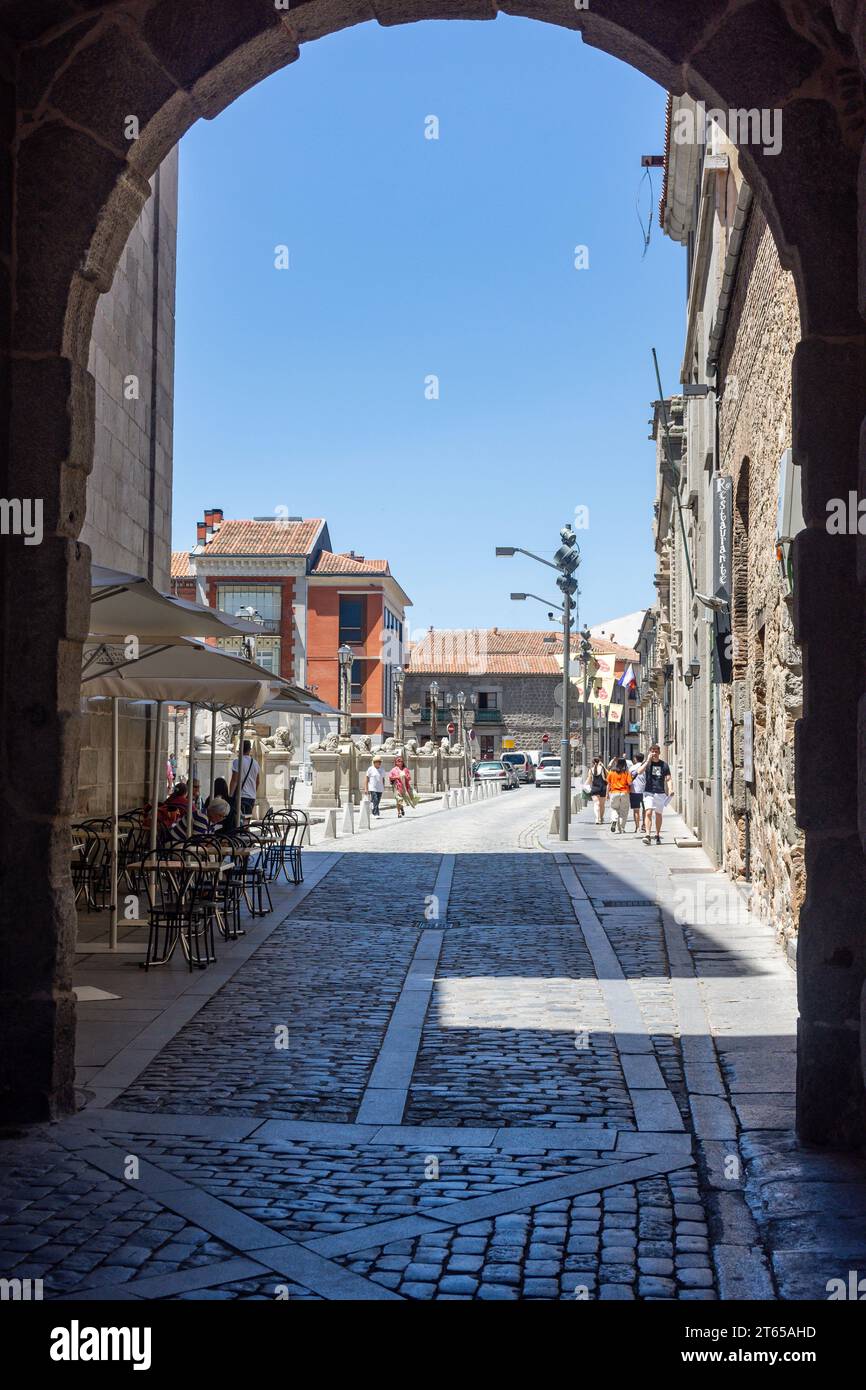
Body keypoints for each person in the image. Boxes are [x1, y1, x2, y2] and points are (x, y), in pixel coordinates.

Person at [635, 744, 673, 845]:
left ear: (659, 753)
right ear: (649, 752)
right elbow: (639, 772)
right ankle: (647, 835)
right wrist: (647, 761)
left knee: (658, 814)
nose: (654, 753)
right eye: (652, 751)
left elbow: (668, 778)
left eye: (656, 751)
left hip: (660, 793)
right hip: (648, 792)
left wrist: (670, 789)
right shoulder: (646, 764)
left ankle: (657, 834)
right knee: (648, 812)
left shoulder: (664, 765)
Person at [229, 739, 260, 821]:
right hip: (251, 796)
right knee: (246, 820)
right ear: (250, 749)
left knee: (237, 820)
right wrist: (253, 792)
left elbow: (234, 780)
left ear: (240, 748)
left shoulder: (237, 761)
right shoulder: (255, 763)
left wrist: (230, 795)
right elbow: (258, 782)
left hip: (241, 795)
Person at [607, 756, 632, 834]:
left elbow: (608, 783)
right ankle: (621, 828)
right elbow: (630, 783)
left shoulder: (612, 772)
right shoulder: (626, 772)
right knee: (624, 811)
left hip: (614, 793)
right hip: (624, 792)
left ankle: (614, 819)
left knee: (614, 808)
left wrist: (607, 794)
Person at [627, 752, 646, 833]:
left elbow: (629, 780)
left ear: (635, 759)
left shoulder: (631, 768)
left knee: (636, 810)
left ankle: (637, 827)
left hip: (634, 791)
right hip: (645, 791)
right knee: (645, 809)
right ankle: (644, 826)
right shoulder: (646, 767)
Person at [589, 757, 608, 825]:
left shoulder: (591, 769)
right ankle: (601, 818)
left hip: (595, 788)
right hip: (603, 788)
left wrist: (586, 785)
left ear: (592, 763)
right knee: (602, 805)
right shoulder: (602, 768)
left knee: (596, 804)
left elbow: (589, 779)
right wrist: (603, 766)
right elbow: (608, 774)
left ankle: (597, 818)